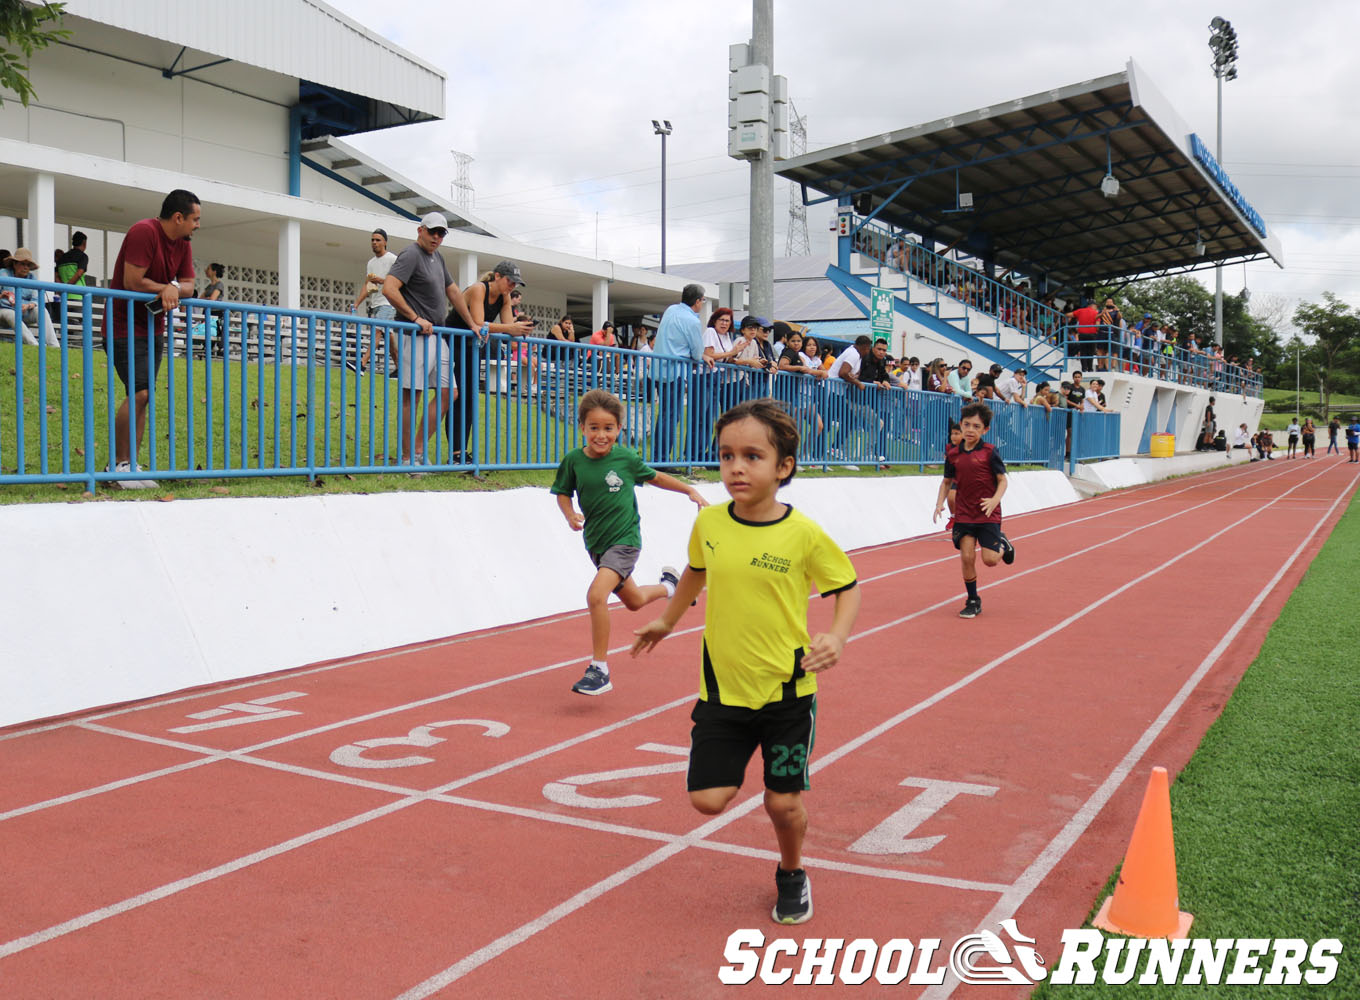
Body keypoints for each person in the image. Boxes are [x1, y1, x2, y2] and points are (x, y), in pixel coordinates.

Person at [631, 398, 861, 925]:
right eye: (727, 455)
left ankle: (792, 873)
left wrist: (838, 637)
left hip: (787, 693)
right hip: (722, 693)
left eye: (753, 456)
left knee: (782, 803)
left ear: (784, 466)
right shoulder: (710, 523)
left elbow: (846, 587)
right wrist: (667, 620)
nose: (736, 467)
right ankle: (737, 764)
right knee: (707, 800)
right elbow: (695, 571)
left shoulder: (803, 533)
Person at [552, 389, 707, 695]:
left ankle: (599, 670)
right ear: (582, 427)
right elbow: (562, 492)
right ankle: (671, 587)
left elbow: (655, 477)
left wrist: (688, 490)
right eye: (594, 428)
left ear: (619, 429)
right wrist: (569, 514)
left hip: (625, 541)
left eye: (608, 428)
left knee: (597, 595)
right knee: (634, 601)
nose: (601, 435)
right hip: (596, 544)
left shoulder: (625, 459)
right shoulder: (573, 461)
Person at [104, 190, 201, 488]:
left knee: (143, 396)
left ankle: (131, 466)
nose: (197, 225)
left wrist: (172, 287)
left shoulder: (183, 243)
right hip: (123, 324)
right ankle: (116, 466)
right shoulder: (144, 231)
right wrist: (168, 287)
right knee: (140, 393)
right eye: (195, 219)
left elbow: (189, 285)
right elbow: (132, 281)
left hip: (152, 325)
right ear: (178, 217)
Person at [381, 212, 479, 466]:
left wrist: (472, 324)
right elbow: (389, 288)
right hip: (415, 335)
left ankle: (417, 450)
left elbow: (453, 291)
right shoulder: (411, 254)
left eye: (441, 233)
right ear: (420, 230)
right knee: (411, 397)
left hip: (437, 335)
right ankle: (407, 459)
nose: (436, 237)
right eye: (432, 231)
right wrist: (415, 317)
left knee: (450, 393)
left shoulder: (438, 257)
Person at [440, 258, 533, 462]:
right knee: (458, 397)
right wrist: (512, 328)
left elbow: (508, 329)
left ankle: (461, 453)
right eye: (510, 281)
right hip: (452, 343)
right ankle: (455, 454)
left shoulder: (504, 297)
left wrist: (521, 330)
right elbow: (479, 322)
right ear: (497, 276)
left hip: (472, 347)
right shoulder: (478, 289)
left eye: (515, 283)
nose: (512, 286)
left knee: (470, 398)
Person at [932, 401, 1016, 618]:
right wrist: (939, 503)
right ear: (961, 425)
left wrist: (994, 500)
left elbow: (1002, 480)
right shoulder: (953, 454)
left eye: (976, 426)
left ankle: (1003, 544)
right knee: (967, 557)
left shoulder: (990, 452)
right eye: (967, 425)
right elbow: (946, 482)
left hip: (987, 513)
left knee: (990, 560)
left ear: (985, 429)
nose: (970, 430)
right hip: (964, 513)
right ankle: (972, 600)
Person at [651, 283, 709, 465]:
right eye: (703, 300)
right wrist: (699, 356)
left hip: (659, 368)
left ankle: (658, 457)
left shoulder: (671, 310)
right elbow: (697, 353)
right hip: (675, 371)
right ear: (697, 301)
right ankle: (662, 460)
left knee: (664, 415)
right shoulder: (692, 321)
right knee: (671, 416)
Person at [350, 229, 398, 373]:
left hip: (388, 304)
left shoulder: (392, 259)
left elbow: (398, 282)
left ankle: (362, 364)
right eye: (372, 240)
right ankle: (400, 369)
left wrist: (381, 280)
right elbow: (369, 286)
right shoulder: (371, 263)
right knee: (388, 338)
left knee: (376, 331)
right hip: (376, 304)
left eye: (378, 240)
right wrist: (357, 303)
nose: (374, 243)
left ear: (385, 242)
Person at [1, 248, 58, 347]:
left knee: (41, 310)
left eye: (28, 265)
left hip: (24, 310)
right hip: (4, 310)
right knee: (11, 314)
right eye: (22, 264)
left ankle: (54, 346)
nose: (25, 267)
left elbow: (36, 299)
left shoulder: (32, 278)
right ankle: (34, 345)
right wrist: (1, 296)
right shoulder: (3, 273)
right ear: (14, 264)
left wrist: (27, 306)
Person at [198, 261, 225, 358]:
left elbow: (212, 299)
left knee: (216, 331)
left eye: (208, 269)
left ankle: (219, 349)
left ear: (214, 271)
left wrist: (207, 299)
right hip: (207, 312)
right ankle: (207, 349)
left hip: (216, 313)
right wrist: (207, 299)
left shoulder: (219, 285)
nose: (206, 270)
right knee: (206, 331)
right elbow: (200, 299)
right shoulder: (209, 286)